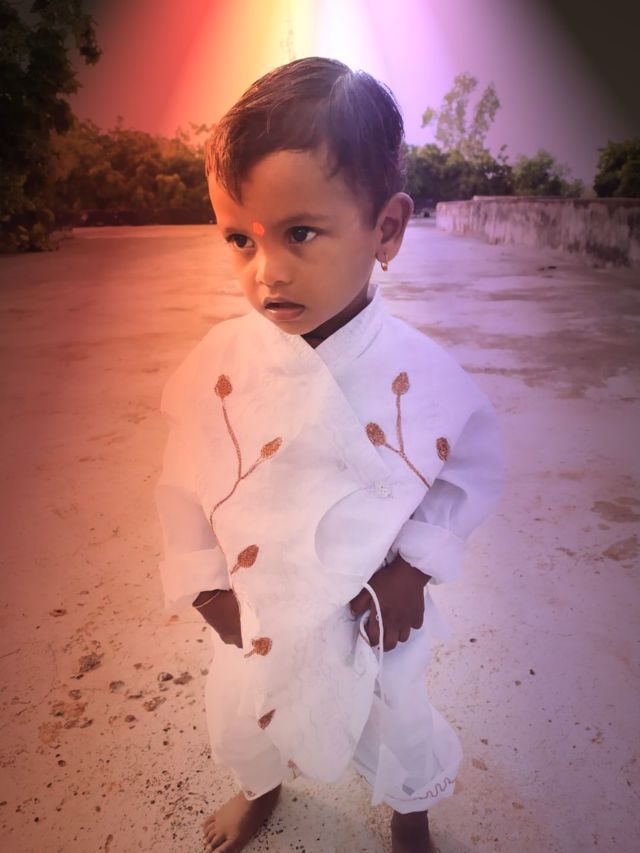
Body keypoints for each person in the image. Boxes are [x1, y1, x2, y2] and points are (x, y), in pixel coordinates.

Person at [154, 56, 506, 853]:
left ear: (387, 230)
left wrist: (414, 570)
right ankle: (260, 785)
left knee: (396, 711)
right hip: (258, 601)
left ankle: (410, 812)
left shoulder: (422, 377)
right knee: (246, 706)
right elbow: (183, 481)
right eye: (239, 239)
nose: (266, 273)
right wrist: (205, 581)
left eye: (300, 233)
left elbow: (467, 471)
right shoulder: (220, 364)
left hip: (369, 606)